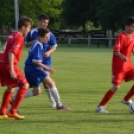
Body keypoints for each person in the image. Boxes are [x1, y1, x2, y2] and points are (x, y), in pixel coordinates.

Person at [12, 13, 57, 107]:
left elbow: (54, 45)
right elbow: (27, 44)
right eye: (44, 22)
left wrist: (48, 52)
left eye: (47, 23)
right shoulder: (32, 33)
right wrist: (35, 41)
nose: (45, 24)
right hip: (35, 62)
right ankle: (58, 104)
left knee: (45, 83)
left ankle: (52, 100)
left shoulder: (49, 33)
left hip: (45, 61)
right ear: (39, 21)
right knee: (45, 83)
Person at [24, 27, 70, 110]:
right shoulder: (38, 45)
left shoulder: (39, 44)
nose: (47, 39)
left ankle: (13, 98)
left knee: (36, 91)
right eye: (45, 37)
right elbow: (35, 61)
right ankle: (59, 105)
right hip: (33, 69)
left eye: (47, 37)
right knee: (51, 82)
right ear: (39, 37)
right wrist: (47, 68)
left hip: (30, 69)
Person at [96, 17, 134, 113]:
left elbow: (131, 48)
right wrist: (122, 57)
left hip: (128, 65)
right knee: (116, 87)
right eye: (132, 26)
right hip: (119, 66)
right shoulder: (121, 36)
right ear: (126, 26)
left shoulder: (133, 35)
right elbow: (116, 51)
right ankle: (100, 107)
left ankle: (126, 99)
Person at [0, 17, 33, 119]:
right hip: (7, 64)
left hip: (1, 63)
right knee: (25, 85)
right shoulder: (19, 37)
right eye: (28, 28)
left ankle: (2, 112)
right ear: (23, 27)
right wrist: (12, 69)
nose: (29, 31)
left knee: (11, 87)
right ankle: (13, 111)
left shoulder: (12, 34)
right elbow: (11, 52)